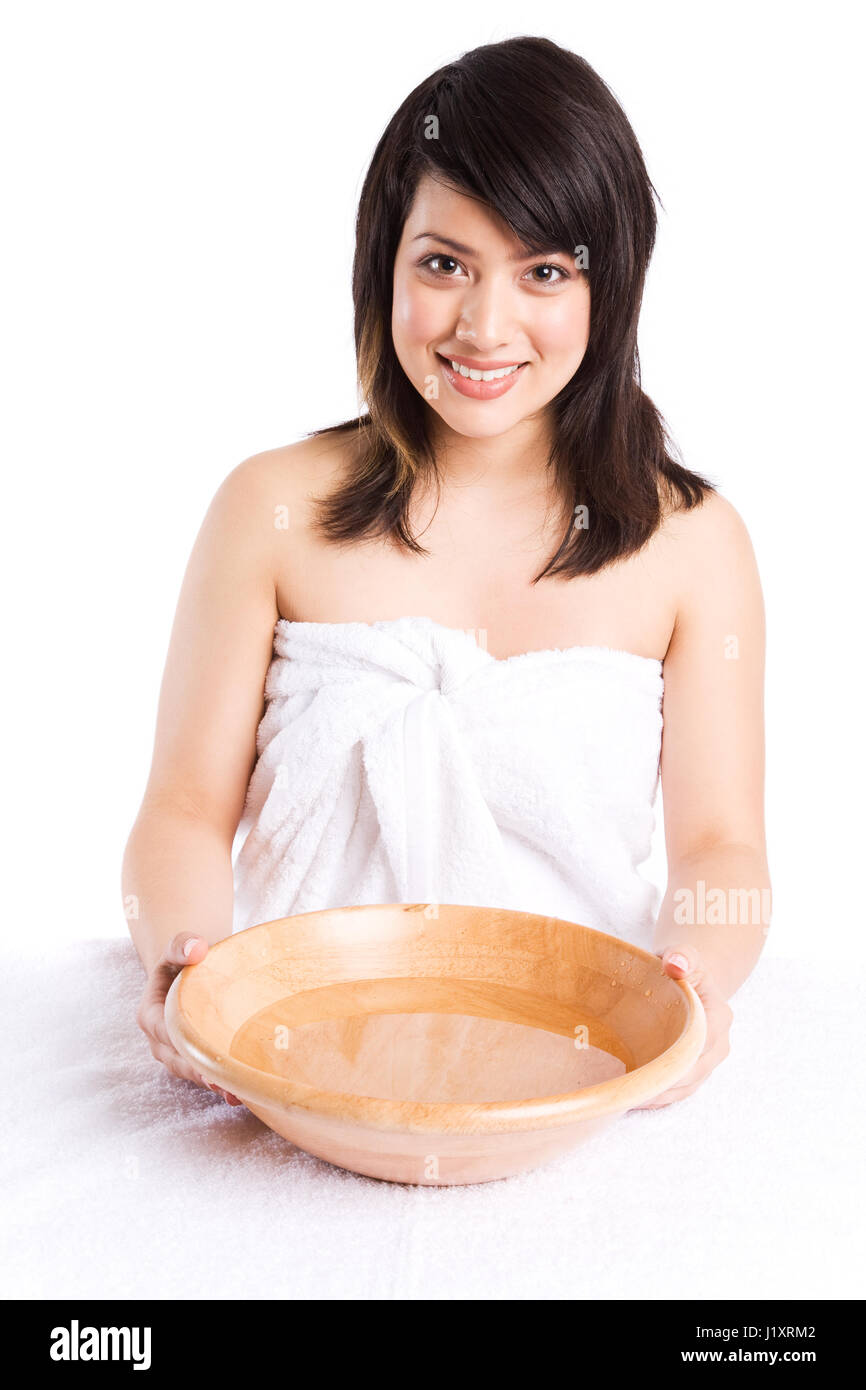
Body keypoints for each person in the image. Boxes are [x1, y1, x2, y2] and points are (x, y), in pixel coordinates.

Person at [123, 36, 770, 1112]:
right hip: (290, 1059)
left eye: (544, 272)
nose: (483, 325)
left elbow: (721, 845)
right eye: (442, 262)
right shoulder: (266, 510)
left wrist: (692, 983)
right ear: (384, 262)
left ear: (608, 290)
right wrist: (188, 964)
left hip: (576, 1064)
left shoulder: (689, 543)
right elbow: (184, 808)